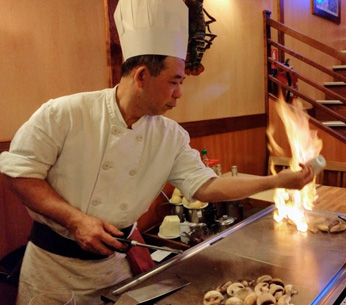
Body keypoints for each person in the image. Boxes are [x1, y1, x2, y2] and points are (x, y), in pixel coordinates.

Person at [0, 0, 315, 304]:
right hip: (51, 272)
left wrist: (276, 182)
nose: (179, 93)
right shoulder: (63, 113)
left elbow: (205, 186)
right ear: (141, 76)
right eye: (174, 82)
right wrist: (75, 220)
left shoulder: (170, 135)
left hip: (114, 272)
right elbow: (19, 175)